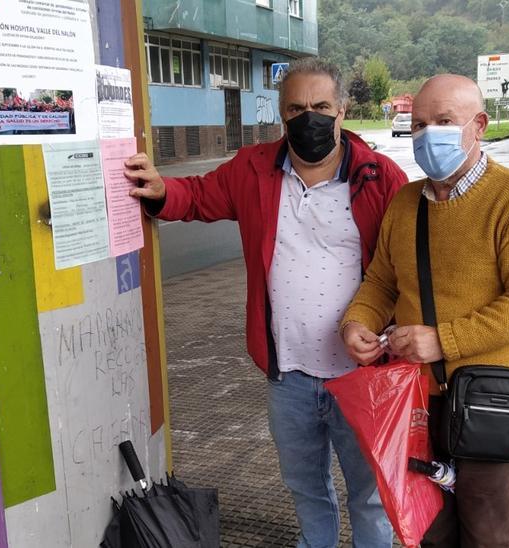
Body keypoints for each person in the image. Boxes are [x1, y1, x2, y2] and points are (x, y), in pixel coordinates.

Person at [124, 57, 409, 547]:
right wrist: (161, 189)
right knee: (304, 485)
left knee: (370, 492)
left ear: (342, 111)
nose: (309, 118)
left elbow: (405, 270)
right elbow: (197, 196)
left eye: (321, 106)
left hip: (363, 373)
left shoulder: (381, 178)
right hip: (289, 373)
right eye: (296, 108)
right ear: (281, 114)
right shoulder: (253, 169)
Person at [339, 74, 509, 548]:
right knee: (429, 526)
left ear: (478, 125)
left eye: (443, 121)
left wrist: (442, 339)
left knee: (485, 529)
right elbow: (382, 281)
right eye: (419, 123)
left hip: (488, 397)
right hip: (415, 397)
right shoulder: (405, 203)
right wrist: (358, 321)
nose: (426, 134)